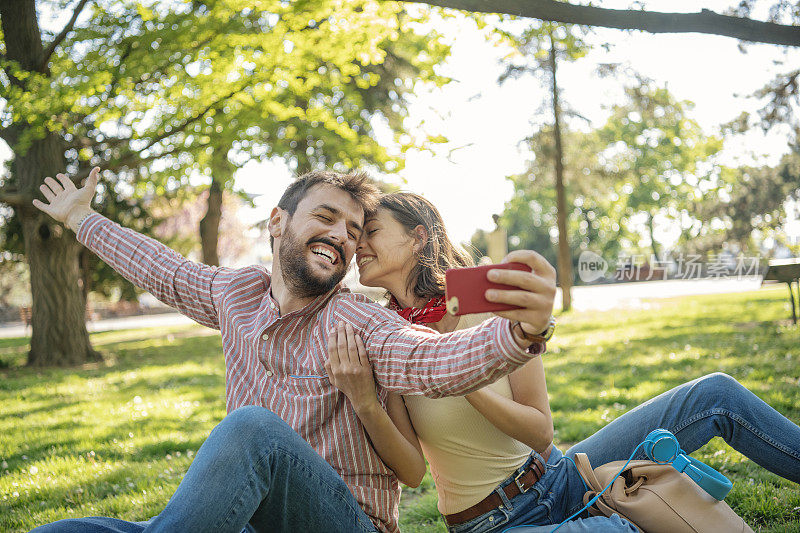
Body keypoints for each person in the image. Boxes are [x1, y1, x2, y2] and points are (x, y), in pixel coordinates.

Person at [29, 167, 557, 533]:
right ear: (278, 223)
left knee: (251, 429)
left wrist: (518, 335)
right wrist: (80, 218)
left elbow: (429, 359)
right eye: (326, 217)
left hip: (348, 524)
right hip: (259, 521)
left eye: (354, 230)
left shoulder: (358, 319)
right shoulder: (233, 295)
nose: (343, 237)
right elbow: (159, 268)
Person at [326, 191, 800, 533]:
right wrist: (367, 401)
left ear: (416, 238)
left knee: (715, 394)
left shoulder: (490, 307)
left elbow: (539, 431)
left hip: (559, 476)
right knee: (630, 528)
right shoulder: (389, 340)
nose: (357, 245)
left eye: (370, 231)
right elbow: (412, 473)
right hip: (490, 521)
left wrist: (459, 377)